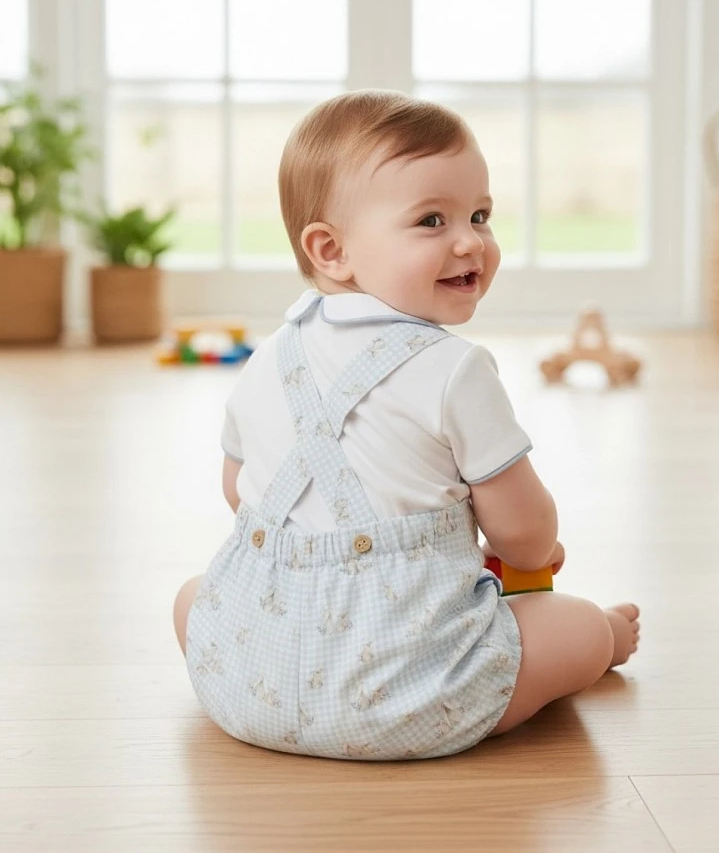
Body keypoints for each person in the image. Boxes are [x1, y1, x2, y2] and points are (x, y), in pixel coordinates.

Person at [173, 90, 639, 760]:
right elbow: (525, 531)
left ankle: (270, 684)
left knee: (195, 598)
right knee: (578, 628)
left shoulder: (268, 357)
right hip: (408, 699)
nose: (469, 241)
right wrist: (530, 561)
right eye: (431, 220)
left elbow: (236, 490)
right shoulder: (456, 369)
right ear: (332, 250)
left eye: (480, 215)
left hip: (249, 692)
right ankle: (603, 644)